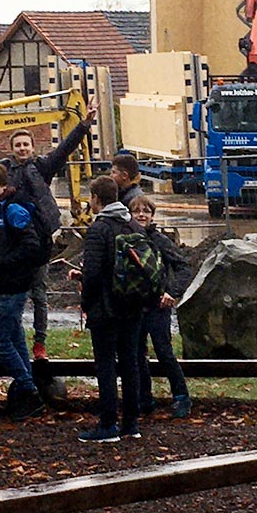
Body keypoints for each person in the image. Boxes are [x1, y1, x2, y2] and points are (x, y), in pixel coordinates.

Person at [0, 101, 97, 361]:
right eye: (18, 145)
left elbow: (65, 149)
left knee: (38, 294)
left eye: (26, 144)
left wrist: (84, 124)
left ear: (32, 148)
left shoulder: (43, 167)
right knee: (6, 295)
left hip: (36, 243)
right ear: (12, 149)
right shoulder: (3, 170)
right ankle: (7, 343)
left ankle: (39, 344)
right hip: (8, 243)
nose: (22, 148)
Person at [68, 175, 144, 443]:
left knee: (106, 366)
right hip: (133, 305)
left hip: (106, 308)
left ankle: (108, 424)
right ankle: (131, 423)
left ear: (96, 199)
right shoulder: (133, 224)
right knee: (130, 363)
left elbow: (94, 273)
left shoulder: (99, 229)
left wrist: (87, 303)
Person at [0, 161, 46, 420]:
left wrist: (3, 266)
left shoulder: (13, 210)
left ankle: (29, 391)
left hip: (15, 285)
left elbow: (31, 246)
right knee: (16, 340)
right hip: (2, 285)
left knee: (0, 343)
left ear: (4, 185)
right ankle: (24, 394)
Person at [128, 195, 192, 419]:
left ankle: (181, 396)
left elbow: (184, 267)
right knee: (136, 353)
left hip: (158, 306)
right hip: (134, 306)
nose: (142, 215)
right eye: (137, 211)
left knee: (164, 351)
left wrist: (171, 292)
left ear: (152, 215)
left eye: (146, 211)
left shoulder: (159, 240)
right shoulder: (126, 240)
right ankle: (144, 398)